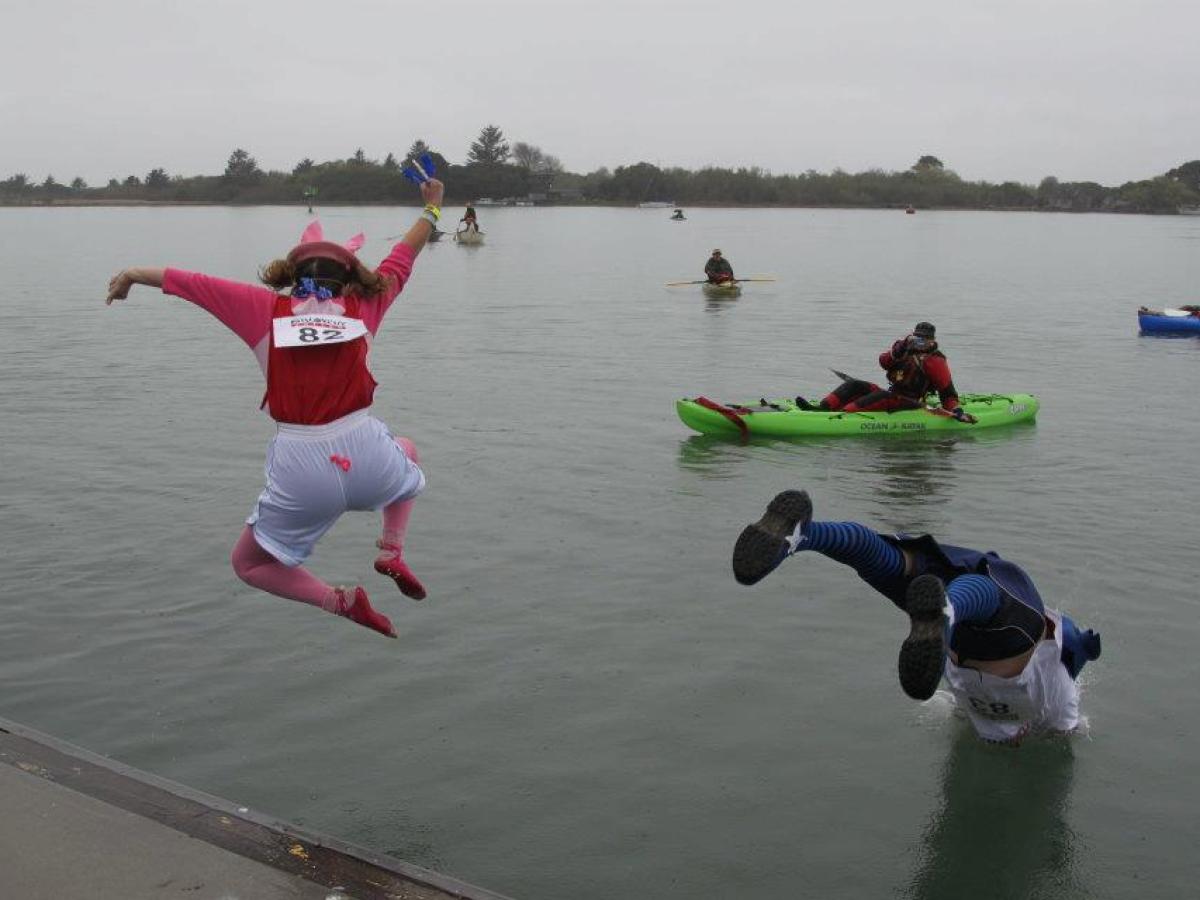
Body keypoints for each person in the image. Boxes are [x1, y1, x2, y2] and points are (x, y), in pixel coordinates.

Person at [103, 179, 447, 639]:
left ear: (290, 274)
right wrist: (432, 209)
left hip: (301, 467)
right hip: (366, 454)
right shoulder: (366, 304)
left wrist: (130, 274)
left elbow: (192, 284)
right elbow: (402, 258)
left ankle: (339, 601)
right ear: (349, 278)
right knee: (407, 453)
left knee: (247, 564)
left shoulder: (263, 309)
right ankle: (392, 549)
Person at [732, 489, 1101, 744]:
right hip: (978, 655)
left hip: (990, 621)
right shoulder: (998, 715)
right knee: (973, 598)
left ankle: (803, 535)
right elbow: (1063, 731)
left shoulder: (1034, 699)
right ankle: (948, 610)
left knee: (896, 563)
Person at [797, 322, 975, 422]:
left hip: (911, 402)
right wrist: (900, 348)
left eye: (925, 340)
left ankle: (838, 417)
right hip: (893, 395)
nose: (921, 343)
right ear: (913, 336)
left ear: (932, 341)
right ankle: (821, 409)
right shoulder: (904, 350)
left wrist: (956, 410)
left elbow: (948, 392)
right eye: (917, 338)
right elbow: (883, 362)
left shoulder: (935, 361)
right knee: (854, 384)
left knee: (882, 396)